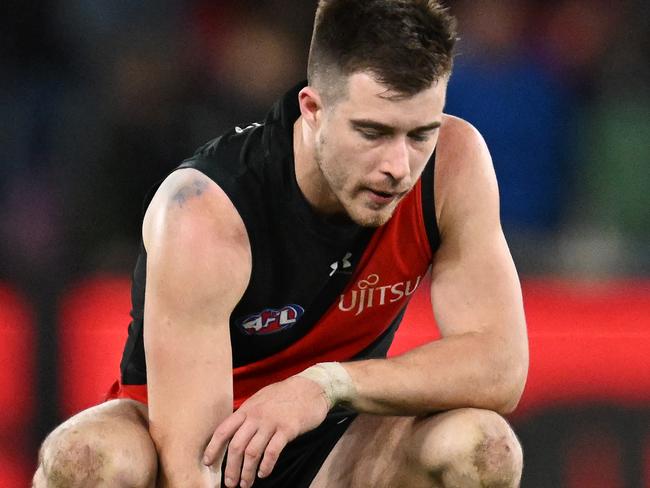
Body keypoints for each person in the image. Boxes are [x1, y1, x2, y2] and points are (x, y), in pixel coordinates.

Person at [34, 0, 528, 486]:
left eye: (420, 134)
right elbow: (191, 468)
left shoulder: (452, 165)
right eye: (371, 132)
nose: (398, 167)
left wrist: (327, 385)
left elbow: (499, 366)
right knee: (83, 459)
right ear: (313, 109)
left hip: (330, 430)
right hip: (182, 443)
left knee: (483, 447)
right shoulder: (205, 210)